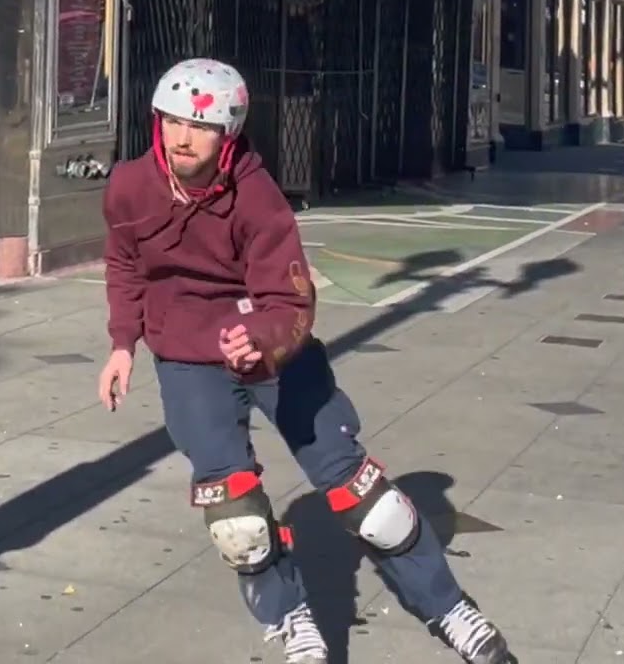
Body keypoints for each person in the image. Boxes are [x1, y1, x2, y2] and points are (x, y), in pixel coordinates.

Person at [95, 58, 513, 664]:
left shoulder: (257, 198)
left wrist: (259, 340)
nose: (182, 138)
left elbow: (291, 299)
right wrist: (120, 343)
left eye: (200, 126)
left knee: (369, 506)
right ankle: (294, 622)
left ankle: (450, 609)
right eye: (171, 121)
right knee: (236, 520)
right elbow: (125, 266)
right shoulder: (130, 186)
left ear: (228, 135)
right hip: (188, 358)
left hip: (275, 354)